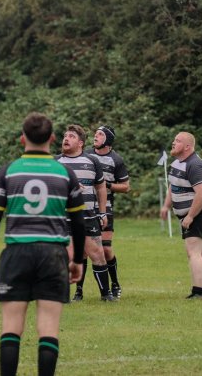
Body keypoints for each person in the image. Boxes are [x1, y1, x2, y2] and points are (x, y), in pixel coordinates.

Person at [0, 113, 86, 376]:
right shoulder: (64, 173)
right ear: (52, 139)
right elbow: (79, 221)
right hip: (53, 254)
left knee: (11, 326)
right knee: (48, 327)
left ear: (22, 138)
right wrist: (79, 260)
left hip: (16, 253)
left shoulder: (9, 171)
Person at [55, 125, 113, 302]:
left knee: (97, 254)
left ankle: (106, 295)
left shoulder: (92, 161)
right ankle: (63, 296)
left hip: (87, 216)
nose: (66, 139)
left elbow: (101, 187)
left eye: (71, 136)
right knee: (66, 256)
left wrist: (102, 213)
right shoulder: (55, 162)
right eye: (65, 136)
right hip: (62, 218)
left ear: (80, 143)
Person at [159, 132, 202, 299]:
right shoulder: (177, 163)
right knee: (199, 252)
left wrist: (191, 216)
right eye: (174, 140)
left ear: (187, 146)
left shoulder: (195, 165)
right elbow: (173, 186)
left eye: (177, 141)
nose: (173, 143)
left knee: (193, 252)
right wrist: (166, 206)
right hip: (195, 213)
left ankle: (198, 291)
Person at [86, 125, 130, 299]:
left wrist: (106, 185)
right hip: (87, 207)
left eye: (100, 134)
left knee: (105, 249)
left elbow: (126, 187)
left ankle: (115, 284)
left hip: (107, 207)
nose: (95, 136)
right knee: (85, 250)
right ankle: (79, 292)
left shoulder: (116, 160)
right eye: (95, 133)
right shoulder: (86, 155)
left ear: (108, 140)